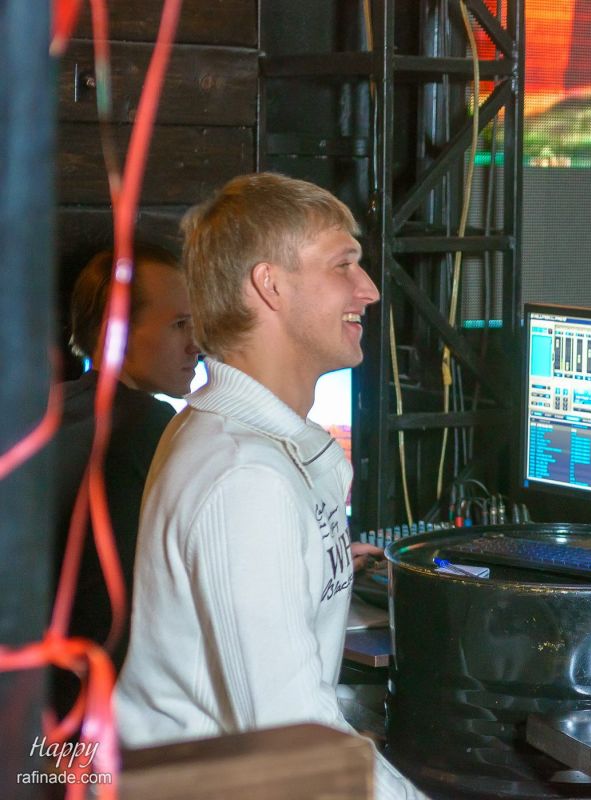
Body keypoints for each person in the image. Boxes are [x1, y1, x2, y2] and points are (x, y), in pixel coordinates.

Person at [114, 174, 423, 799]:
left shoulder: (249, 444)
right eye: (343, 264)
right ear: (270, 285)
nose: (368, 290)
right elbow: (295, 748)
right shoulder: (246, 478)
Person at [51, 242, 200, 718]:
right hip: (106, 713)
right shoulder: (147, 425)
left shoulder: (50, 408)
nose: (196, 345)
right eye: (179, 325)